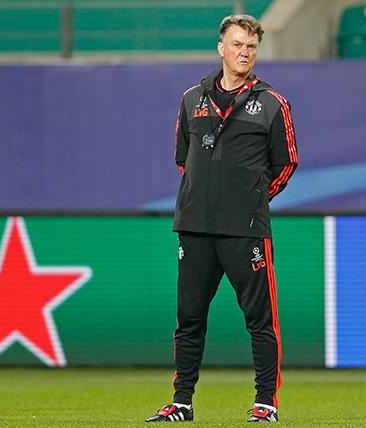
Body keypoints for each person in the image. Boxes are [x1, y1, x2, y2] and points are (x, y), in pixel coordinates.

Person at [146, 14, 298, 424]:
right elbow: (183, 159)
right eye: (237, 45)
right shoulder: (191, 98)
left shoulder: (272, 103)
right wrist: (207, 199)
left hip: (245, 230)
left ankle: (265, 402)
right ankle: (181, 402)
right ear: (221, 47)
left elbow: (286, 165)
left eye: (251, 47)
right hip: (194, 228)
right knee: (189, 319)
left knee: (260, 321)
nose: (244, 53)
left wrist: (248, 201)